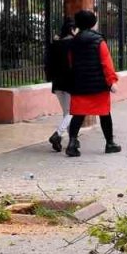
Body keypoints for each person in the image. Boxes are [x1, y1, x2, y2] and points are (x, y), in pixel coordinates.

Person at [65, 9, 119, 157]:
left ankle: (72, 144)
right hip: (98, 86)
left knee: (78, 115)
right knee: (104, 114)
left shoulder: (73, 42)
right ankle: (110, 143)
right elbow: (106, 63)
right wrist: (112, 81)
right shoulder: (99, 41)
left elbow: (71, 63)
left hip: (79, 85)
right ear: (93, 23)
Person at [44, 16, 75, 152]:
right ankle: (58, 134)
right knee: (72, 111)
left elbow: (48, 63)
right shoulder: (74, 44)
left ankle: (70, 139)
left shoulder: (55, 44)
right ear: (72, 29)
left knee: (66, 112)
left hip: (57, 82)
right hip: (70, 82)